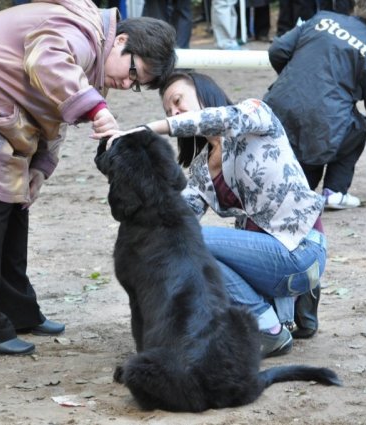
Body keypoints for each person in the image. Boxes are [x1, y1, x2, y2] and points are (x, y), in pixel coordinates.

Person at [0, 0, 177, 356]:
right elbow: (46, 62)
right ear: (121, 41)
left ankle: (16, 310)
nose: (127, 83)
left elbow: (53, 111)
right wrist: (96, 108)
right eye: (133, 72)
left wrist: (40, 168)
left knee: (16, 201)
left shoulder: (92, 51)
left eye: (137, 84)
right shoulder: (81, 35)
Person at [96, 71, 327, 358]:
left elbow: (221, 119)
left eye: (178, 101)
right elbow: (174, 223)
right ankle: (277, 318)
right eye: (169, 110)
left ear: (204, 91)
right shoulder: (202, 169)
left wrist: (149, 129)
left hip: (302, 249)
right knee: (179, 241)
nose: (175, 111)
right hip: (269, 265)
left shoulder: (255, 114)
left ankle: (268, 326)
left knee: (196, 239)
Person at [263, 0, 366, 209]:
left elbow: (278, 50)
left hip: (275, 114)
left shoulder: (323, 17)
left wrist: (296, 78)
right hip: (318, 132)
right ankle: (334, 190)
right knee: (360, 126)